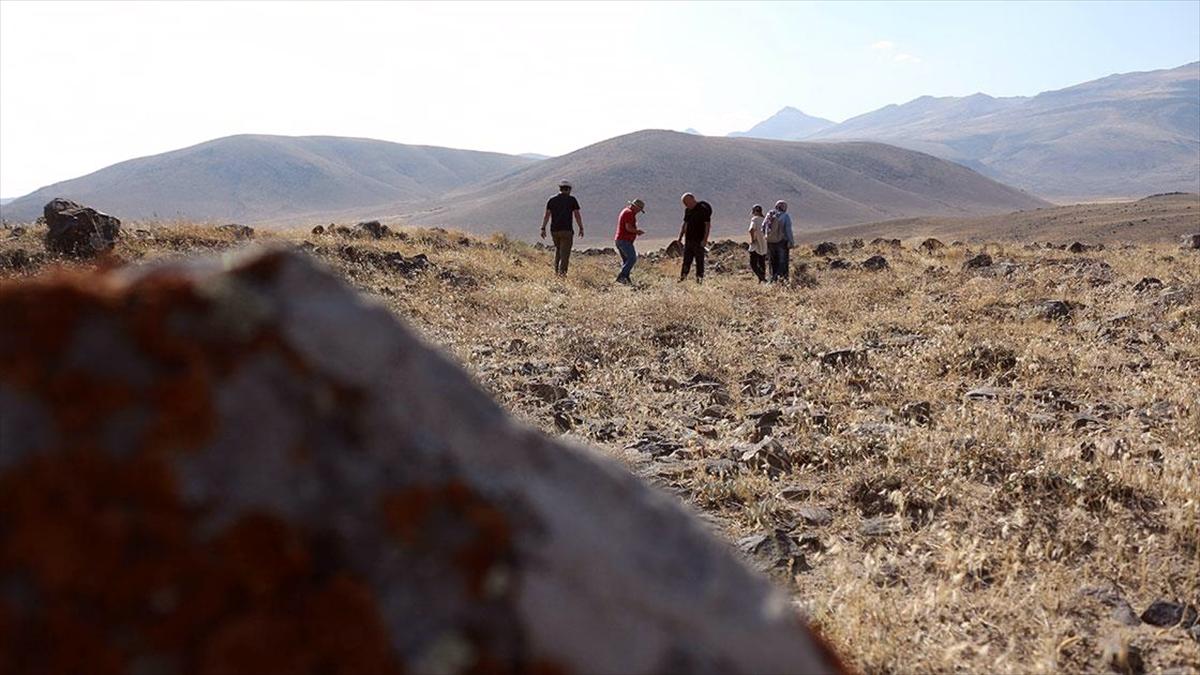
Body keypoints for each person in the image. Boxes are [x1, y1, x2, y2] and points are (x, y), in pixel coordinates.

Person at [541, 180, 584, 276]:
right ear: (568, 190)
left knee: (558, 250)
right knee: (565, 254)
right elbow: (577, 215)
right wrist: (581, 227)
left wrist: (543, 228)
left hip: (554, 230)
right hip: (567, 230)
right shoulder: (572, 200)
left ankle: (556, 272)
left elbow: (546, 215)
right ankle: (562, 275)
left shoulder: (552, 200)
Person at [676, 192, 712, 283]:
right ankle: (683, 278)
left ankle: (699, 280)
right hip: (689, 240)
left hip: (699, 240)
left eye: (687, 203)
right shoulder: (687, 210)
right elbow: (685, 224)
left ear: (692, 199)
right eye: (684, 203)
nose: (686, 205)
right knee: (686, 260)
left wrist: (705, 240)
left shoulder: (703, 209)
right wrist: (680, 238)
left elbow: (707, 225)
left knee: (699, 261)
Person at [614, 199, 646, 284]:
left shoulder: (626, 211)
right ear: (635, 207)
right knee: (632, 259)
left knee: (626, 260)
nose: (639, 212)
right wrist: (637, 231)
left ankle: (626, 280)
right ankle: (621, 277)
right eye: (639, 210)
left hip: (621, 240)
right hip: (624, 240)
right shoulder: (629, 213)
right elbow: (628, 228)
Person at [764, 199, 794, 282]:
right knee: (782, 262)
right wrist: (791, 241)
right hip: (782, 243)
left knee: (772, 262)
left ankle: (772, 279)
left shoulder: (769, 215)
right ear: (784, 207)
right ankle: (782, 280)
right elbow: (788, 230)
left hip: (770, 242)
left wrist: (767, 236)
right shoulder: (785, 216)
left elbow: (763, 227)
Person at [748, 204, 767, 282]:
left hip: (756, 244)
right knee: (761, 261)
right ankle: (762, 279)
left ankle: (762, 278)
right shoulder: (765, 219)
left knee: (753, 263)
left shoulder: (754, 219)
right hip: (764, 244)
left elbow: (751, 229)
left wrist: (752, 239)